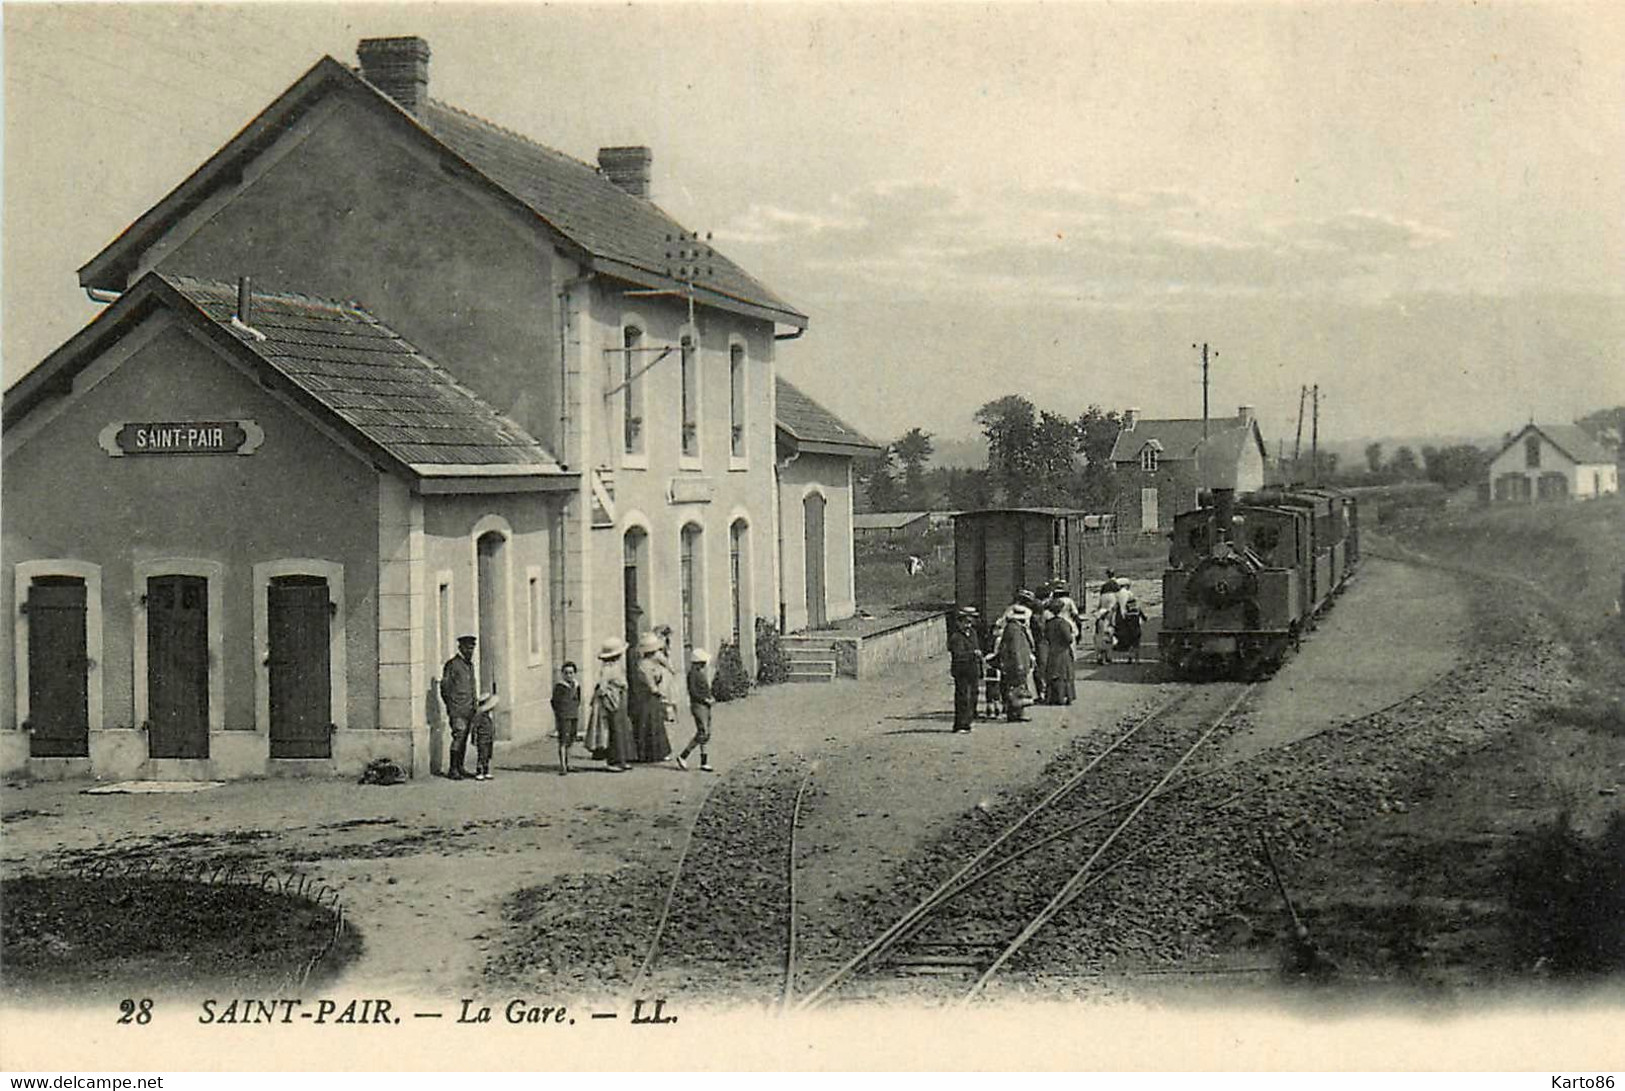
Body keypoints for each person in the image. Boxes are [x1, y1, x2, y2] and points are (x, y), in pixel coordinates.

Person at [585, 637, 634, 772]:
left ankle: (622, 759)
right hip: (614, 701)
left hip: (620, 698)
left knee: (622, 729)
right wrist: (609, 696)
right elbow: (602, 687)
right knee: (615, 731)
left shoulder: (617, 667)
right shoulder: (607, 669)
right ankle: (613, 761)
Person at [632, 632, 675, 764]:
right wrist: (660, 693)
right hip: (647, 697)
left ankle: (655, 753)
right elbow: (651, 685)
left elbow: (669, 666)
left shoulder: (651, 662)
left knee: (655, 723)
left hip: (650, 697)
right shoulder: (644, 665)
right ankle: (650, 754)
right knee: (649, 724)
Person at [439, 634, 477, 780]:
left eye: (472, 648)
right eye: (468, 648)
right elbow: (445, 688)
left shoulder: (469, 665)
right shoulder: (452, 665)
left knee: (464, 738)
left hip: (469, 708)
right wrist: (451, 705)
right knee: (458, 737)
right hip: (457, 709)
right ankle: (453, 769)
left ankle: (460, 767)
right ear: (460, 647)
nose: (470, 651)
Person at [995, 590, 1036, 722]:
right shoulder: (1016, 630)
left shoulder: (1010, 619)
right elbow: (1016, 649)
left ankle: (1013, 712)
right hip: (1015, 663)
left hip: (1010, 661)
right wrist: (1020, 663)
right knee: (1018, 688)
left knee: (1014, 688)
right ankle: (1017, 713)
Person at [675, 648, 715, 770]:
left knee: (706, 733)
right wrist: (705, 699)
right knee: (703, 732)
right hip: (699, 705)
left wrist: (710, 697)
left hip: (705, 705)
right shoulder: (693, 674)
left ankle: (704, 761)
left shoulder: (699, 673)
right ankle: (683, 756)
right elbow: (693, 692)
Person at [947, 606, 984, 733]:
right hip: (961, 670)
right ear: (959, 622)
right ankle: (960, 724)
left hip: (973, 669)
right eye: (965, 622)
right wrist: (973, 653)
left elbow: (976, 647)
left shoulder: (973, 633)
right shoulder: (956, 637)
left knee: (973, 695)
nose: (968, 625)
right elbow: (958, 655)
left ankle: (968, 721)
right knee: (963, 697)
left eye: (970, 622)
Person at [1042, 603, 1077, 705]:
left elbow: (1046, 636)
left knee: (1053, 674)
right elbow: (1069, 639)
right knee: (1065, 675)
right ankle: (1065, 697)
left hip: (1052, 650)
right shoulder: (1063, 623)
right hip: (1063, 651)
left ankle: (1053, 697)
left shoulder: (1049, 623)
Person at [551, 661, 581, 777]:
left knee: (571, 739)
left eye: (571, 673)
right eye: (566, 673)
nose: (569, 675)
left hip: (573, 714)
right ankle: (563, 765)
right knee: (563, 740)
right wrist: (560, 714)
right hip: (563, 716)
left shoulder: (576, 685)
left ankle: (569, 763)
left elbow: (578, 700)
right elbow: (554, 702)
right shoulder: (560, 687)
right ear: (562, 674)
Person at [1113, 579, 1144, 662]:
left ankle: (1129, 658)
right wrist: (1143, 617)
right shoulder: (1131, 595)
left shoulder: (1117, 594)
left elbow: (1115, 608)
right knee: (1136, 641)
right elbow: (1139, 610)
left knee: (1129, 640)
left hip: (1125, 622)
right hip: (1134, 623)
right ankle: (1137, 658)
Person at [470, 691, 499, 781]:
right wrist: (474, 739)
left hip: (488, 738)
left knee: (488, 755)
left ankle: (486, 770)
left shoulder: (488, 716)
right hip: (482, 739)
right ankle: (479, 771)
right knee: (482, 755)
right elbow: (474, 728)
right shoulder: (479, 716)